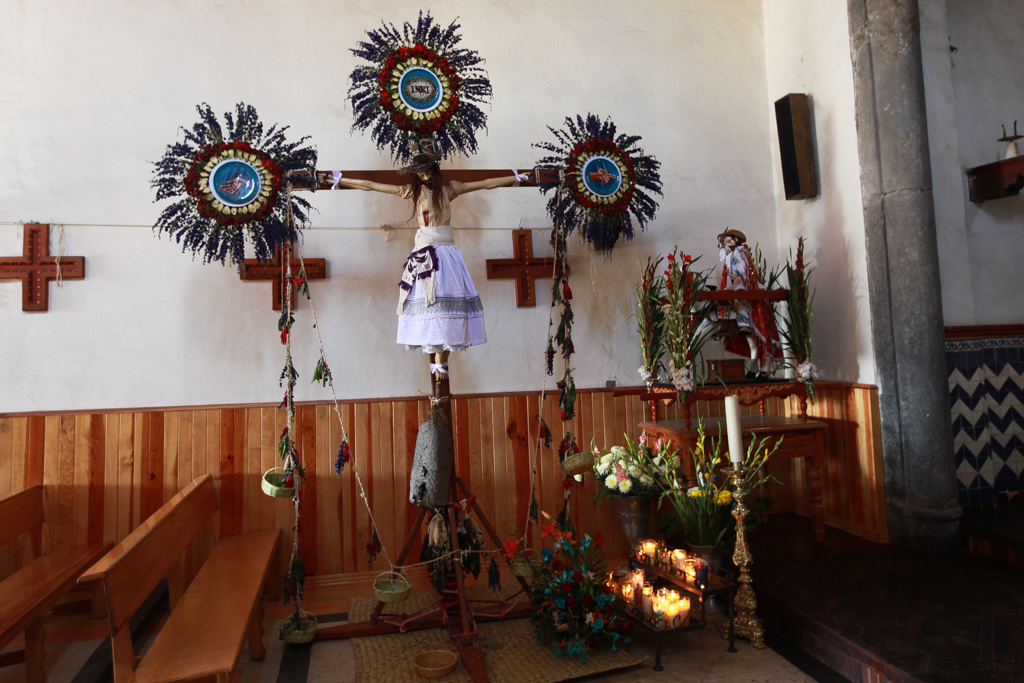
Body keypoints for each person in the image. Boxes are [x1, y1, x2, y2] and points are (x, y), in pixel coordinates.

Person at [332, 153, 525, 375]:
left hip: (448, 255)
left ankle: (442, 360)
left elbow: (484, 184)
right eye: (419, 173)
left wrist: (515, 178)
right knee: (428, 304)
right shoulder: (412, 193)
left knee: (450, 304)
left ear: (434, 170)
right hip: (424, 255)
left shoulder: (449, 190)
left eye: (426, 171)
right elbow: (374, 186)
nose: (423, 175)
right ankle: (436, 359)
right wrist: (343, 181)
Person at [711, 228, 781, 376]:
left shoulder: (742, 254)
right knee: (725, 298)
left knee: (741, 300)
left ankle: (745, 323)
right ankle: (725, 326)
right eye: (726, 242)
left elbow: (744, 268)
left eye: (730, 241)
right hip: (731, 286)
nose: (728, 244)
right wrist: (721, 246)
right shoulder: (730, 255)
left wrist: (735, 273)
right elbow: (724, 258)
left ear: (736, 241)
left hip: (741, 287)